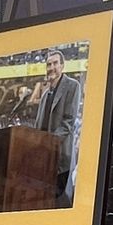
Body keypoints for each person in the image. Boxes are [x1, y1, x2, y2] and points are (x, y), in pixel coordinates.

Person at [32, 50, 84, 207]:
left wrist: (50, 142)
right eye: (49, 64)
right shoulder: (45, 94)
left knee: (61, 202)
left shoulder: (72, 86)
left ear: (62, 66)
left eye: (55, 63)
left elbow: (68, 122)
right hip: (45, 159)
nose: (51, 67)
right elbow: (38, 127)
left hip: (61, 157)